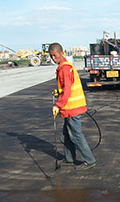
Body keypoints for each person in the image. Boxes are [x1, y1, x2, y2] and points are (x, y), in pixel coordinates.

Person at [50, 42, 96, 170]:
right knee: (67, 133)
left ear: (62, 53)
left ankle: (90, 160)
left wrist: (57, 105)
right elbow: (65, 88)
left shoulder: (64, 69)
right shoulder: (64, 67)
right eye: (51, 56)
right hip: (70, 107)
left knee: (75, 134)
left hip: (72, 108)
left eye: (55, 55)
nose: (53, 58)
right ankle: (69, 158)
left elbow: (67, 91)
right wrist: (58, 92)